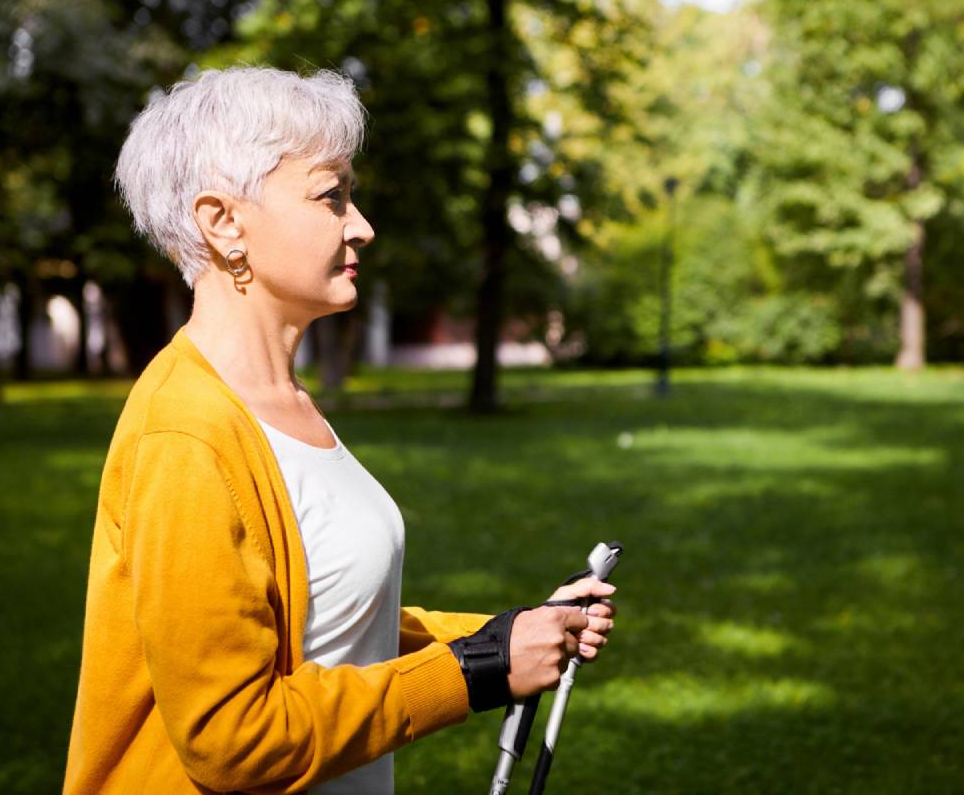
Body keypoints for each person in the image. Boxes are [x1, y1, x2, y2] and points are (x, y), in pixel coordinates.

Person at [63, 66, 616, 795]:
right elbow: (232, 740)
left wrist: (505, 635)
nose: (361, 226)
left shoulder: (283, 402)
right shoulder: (186, 435)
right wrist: (476, 670)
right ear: (223, 222)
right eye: (332, 197)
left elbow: (334, 623)